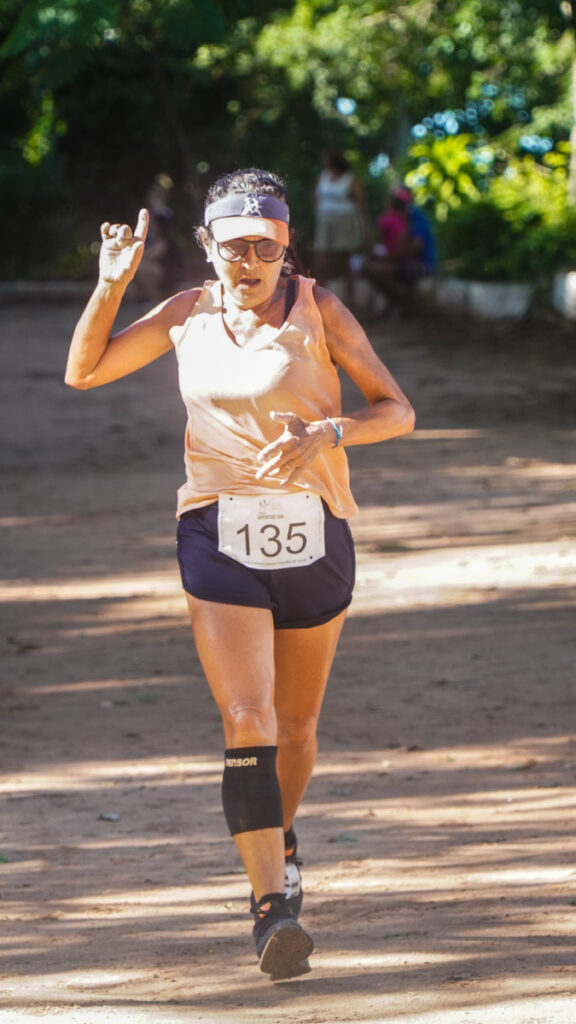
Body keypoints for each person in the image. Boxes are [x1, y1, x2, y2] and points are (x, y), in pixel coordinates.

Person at [64, 167, 415, 981]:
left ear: (286, 246)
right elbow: (85, 372)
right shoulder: (186, 313)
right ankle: (271, 907)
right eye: (234, 247)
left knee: (295, 727)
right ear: (209, 246)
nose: (249, 261)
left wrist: (328, 432)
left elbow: (397, 410)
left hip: (313, 531)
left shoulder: (320, 310)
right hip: (216, 531)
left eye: (265, 246)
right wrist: (110, 286)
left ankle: (278, 837)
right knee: (248, 715)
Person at [362, 186, 437, 314]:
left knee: (381, 271)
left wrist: (387, 257)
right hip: (403, 261)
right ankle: (398, 305)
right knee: (370, 268)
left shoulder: (416, 218)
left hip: (423, 263)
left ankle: (404, 306)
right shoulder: (398, 218)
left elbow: (414, 248)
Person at [314, 149, 369, 307]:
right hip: (326, 221)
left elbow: (361, 203)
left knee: (347, 260)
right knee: (323, 258)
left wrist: (365, 227)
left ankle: (350, 299)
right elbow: (316, 195)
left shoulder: (350, 179)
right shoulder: (323, 176)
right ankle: (318, 297)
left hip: (345, 221)